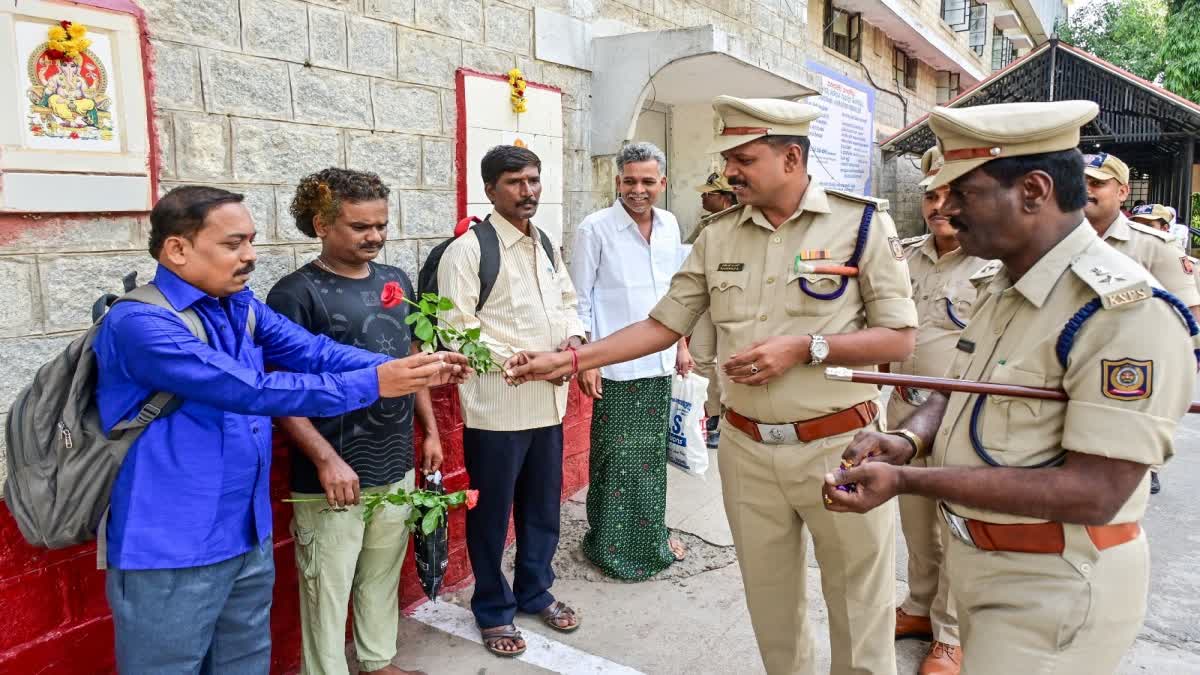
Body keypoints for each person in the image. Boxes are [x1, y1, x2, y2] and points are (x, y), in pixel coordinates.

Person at [506, 96, 918, 675]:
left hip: (840, 450)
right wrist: (569, 361)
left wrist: (804, 347)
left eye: (745, 158)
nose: (731, 171)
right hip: (748, 452)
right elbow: (661, 323)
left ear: (792, 157)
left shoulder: (863, 224)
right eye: (730, 159)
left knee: (859, 606)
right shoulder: (718, 235)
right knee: (771, 605)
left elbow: (899, 338)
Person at [824, 100, 1197, 675]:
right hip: (990, 567)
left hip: (1053, 589)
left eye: (962, 192)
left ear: (1033, 190)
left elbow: (1093, 491)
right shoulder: (1005, 283)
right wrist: (908, 439)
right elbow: (961, 388)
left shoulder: (1122, 312)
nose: (943, 209)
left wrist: (904, 480)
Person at [94, 185, 470, 674]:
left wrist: (409, 368)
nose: (250, 256)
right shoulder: (140, 324)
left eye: (250, 241)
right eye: (233, 244)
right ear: (177, 249)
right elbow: (252, 389)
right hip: (171, 546)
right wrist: (378, 379)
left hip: (245, 533)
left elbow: (315, 353)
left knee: (245, 664)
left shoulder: (240, 306)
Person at [266, 169, 438, 675]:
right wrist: (326, 460)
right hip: (331, 474)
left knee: (381, 573)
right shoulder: (294, 293)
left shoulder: (396, 281)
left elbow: (413, 357)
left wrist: (428, 429)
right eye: (361, 226)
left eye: (381, 224)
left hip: (395, 459)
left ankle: (377, 659)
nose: (376, 236)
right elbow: (280, 393)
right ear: (321, 223)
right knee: (327, 587)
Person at [437, 145, 588, 657]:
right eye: (515, 182)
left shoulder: (544, 243)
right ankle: (493, 609)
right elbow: (456, 331)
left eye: (534, 180)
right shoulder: (470, 250)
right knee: (492, 513)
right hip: (497, 407)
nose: (528, 191)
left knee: (542, 506)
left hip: (550, 402)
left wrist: (572, 343)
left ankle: (534, 590)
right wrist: (524, 363)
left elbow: (567, 302)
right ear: (489, 190)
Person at [887, 146, 991, 675]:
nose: (938, 204)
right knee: (915, 520)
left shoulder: (997, 266)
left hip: (962, 422)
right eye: (931, 194)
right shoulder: (902, 254)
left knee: (956, 527)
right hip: (903, 410)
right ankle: (920, 606)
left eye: (951, 193)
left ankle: (950, 634)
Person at [571, 141, 691, 580]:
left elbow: (675, 294)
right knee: (616, 458)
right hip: (617, 368)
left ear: (662, 182)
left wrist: (680, 345)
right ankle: (609, 546)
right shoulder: (595, 229)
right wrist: (586, 360)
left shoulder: (671, 224)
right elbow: (579, 301)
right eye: (629, 181)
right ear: (617, 181)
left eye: (647, 181)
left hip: (658, 365)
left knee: (650, 458)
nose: (638, 190)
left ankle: (650, 539)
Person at [1082, 152, 1199, 495]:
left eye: (1097, 184)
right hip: (1072, 367)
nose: (1086, 190)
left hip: (1132, 374)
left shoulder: (1154, 246)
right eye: (1080, 182)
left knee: (1120, 489)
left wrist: (1173, 378)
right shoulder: (1052, 242)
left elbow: (1188, 317)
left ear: (1121, 192)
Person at [688, 171, 739, 449]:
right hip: (709, 298)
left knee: (734, 360)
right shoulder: (707, 226)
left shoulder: (744, 222)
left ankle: (732, 417)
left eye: (708, 193)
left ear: (725, 198)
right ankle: (713, 414)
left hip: (739, 300)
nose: (702, 197)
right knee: (700, 357)